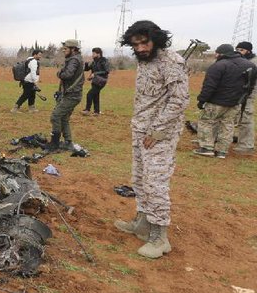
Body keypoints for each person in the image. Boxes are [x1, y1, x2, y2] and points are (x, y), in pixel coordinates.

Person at [113, 21, 188, 259]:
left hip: (159, 136)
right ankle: (143, 224)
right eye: (136, 44)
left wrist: (157, 132)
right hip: (141, 131)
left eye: (145, 42)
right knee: (140, 179)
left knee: (156, 183)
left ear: (156, 38)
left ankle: (159, 237)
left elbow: (179, 100)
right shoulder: (145, 62)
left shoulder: (171, 62)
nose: (141, 48)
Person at [193, 43, 255, 159]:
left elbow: (209, 86)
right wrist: (242, 99)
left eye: (217, 52)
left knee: (207, 121)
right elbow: (250, 86)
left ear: (222, 53)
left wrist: (202, 100)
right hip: (235, 103)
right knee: (228, 125)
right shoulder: (249, 65)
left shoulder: (218, 66)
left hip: (216, 102)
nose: (215, 55)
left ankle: (206, 147)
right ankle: (222, 151)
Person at [48, 40, 84, 150]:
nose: (64, 50)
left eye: (66, 48)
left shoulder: (74, 60)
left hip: (72, 95)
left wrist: (59, 73)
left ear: (73, 49)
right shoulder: (76, 58)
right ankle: (68, 143)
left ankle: (55, 143)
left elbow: (67, 74)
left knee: (55, 116)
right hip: (72, 94)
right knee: (64, 118)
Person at [234, 41, 256, 155]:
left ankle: (246, 146)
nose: (239, 52)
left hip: (248, 94)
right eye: (237, 50)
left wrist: (248, 95)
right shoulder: (241, 61)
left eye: (241, 50)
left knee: (246, 118)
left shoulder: (254, 63)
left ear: (248, 51)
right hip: (237, 93)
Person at [81, 47, 110, 115]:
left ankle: (87, 110)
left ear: (98, 54)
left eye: (94, 53)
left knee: (89, 94)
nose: (92, 55)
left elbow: (106, 71)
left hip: (101, 81)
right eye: (92, 53)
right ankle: (96, 111)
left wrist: (95, 74)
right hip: (95, 81)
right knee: (95, 95)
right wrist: (86, 63)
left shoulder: (104, 60)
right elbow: (86, 69)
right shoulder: (94, 62)